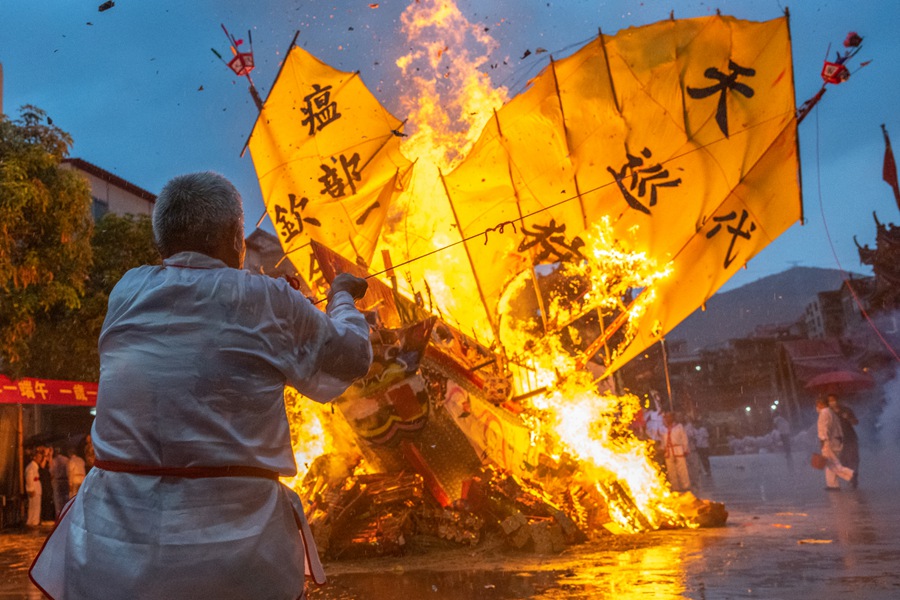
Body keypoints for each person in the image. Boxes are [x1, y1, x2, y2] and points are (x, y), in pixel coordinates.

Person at [31, 172, 373, 600]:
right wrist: (341, 295)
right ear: (235, 238)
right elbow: (353, 355)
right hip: (238, 559)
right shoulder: (267, 298)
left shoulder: (127, 290)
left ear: (163, 243)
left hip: (109, 552)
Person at [816, 397, 854, 490]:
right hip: (836, 440)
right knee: (829, 463)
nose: (816, 407)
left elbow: (823, 428)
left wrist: (822, 441)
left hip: (829, 442)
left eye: (816, 404)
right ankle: (833, 485)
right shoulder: (831, 412)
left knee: (833, 464)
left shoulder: (824, 413)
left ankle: (851, 475)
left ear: (820, 404)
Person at [828, 394, 859, 489]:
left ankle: (853, 479)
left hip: (850, 437)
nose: (832, 402)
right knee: (842, 461)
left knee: (853, 460)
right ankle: (850, 477)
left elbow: (856, 422)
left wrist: (848, 418)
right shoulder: (829, 413)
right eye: (830, 401)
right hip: (838, 440)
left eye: (834, 400)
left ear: (838, 400)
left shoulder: (846, 410)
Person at [661, 412, 691, 491]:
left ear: (673, 418)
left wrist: (685, 449)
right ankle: (675, 488)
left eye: (669, 417)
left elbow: (684, 438)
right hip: (668, 451)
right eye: (666, 417)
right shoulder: (663, 428)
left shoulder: (679, 427)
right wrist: (662, 449)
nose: (668, 419)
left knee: (682, 469)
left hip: (678, 450)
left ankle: (686, 486)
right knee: (671, 471)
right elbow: (662, 440)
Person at [24, 449, 42, 527]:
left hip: (36, 486)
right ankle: (33, 521)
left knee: (34, 505)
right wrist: (30, 489)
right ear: (34, 457)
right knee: (34, 505)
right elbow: (29, 478)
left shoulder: (34, 466)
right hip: (34, 487)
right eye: (38, 457)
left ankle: (33, 521)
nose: (40, 459)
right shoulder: (31, 467)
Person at [50, 447, 69, 518]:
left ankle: (59, 516)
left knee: (58, 500)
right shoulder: (67, 460)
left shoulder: (54, 460)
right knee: (66, 498)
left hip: (57, 481)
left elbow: (51, 471)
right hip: (65, 480)